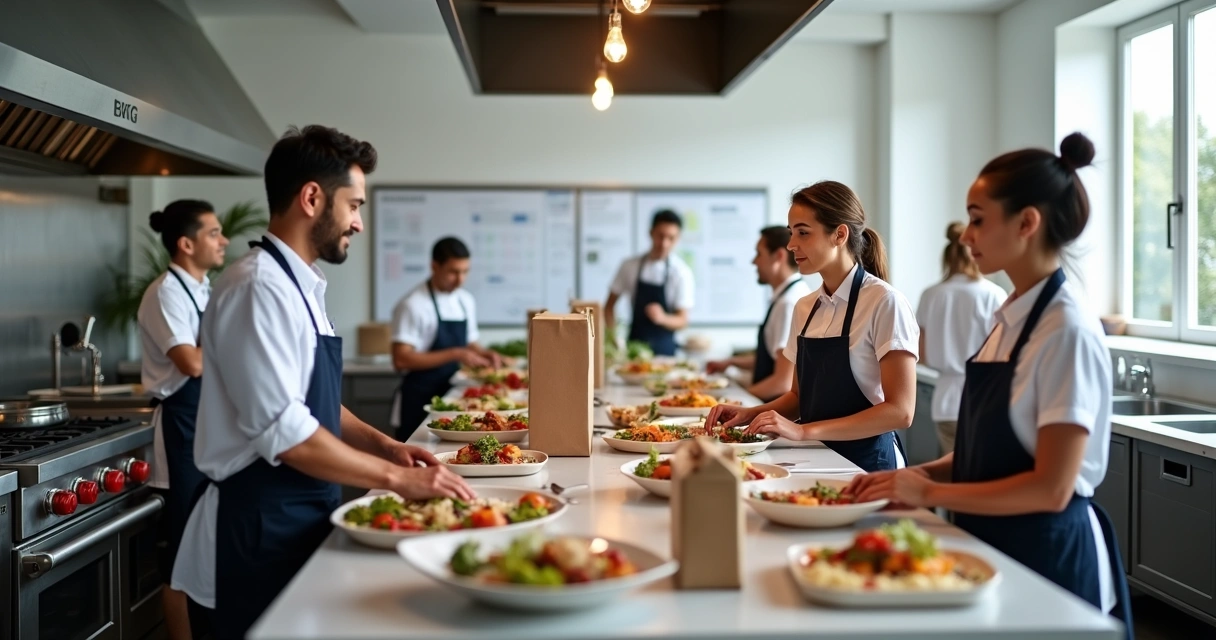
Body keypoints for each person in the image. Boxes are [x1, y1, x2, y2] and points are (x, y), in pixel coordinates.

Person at [172, 125, 474, 640]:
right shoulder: (257, 287)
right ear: (312, 198)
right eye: (353, 205)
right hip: (253, 527)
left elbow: (315, 404)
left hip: (300, 510)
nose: (358, 222)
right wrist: (397, 480)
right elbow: (287, 433)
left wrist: (387, 447)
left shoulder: (302, 287)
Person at [848, 133, 1132, 636]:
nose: (966, 236)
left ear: (1027, 223)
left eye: (978, 219)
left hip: (1046, 554)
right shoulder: (1009, 317)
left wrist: (929, 490)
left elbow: (1051, 487)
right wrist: (909, 478)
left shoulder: (1065, 330)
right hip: (992, 541)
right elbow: (989, 455)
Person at [706, 181, 918, 472]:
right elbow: (798, 397)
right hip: (817, 457)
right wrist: (750, 413)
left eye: (803, 233)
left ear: (839, 235)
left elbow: (901, 412)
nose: (791, 244)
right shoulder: (805, 307)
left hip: (869, 464)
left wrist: (803, 431)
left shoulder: (884, 302)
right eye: (791, 233)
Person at [137, 199, 228, 640]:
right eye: (214, 233)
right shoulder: (165, 293)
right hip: (180, 429)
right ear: (186, 243)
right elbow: (190, 362)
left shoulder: (205, 288)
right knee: (180, 555)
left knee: (207, 548)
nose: (224, 240)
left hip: (206, 427)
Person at [389, 236, 503, 441]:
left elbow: (470, 342)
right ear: (434, 266)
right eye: (453, 272)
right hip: (419, 398)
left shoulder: (465, 300)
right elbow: (401, 359)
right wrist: (455, 353)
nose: (460, 279)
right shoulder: (412, 305)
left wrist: (486, 354)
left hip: (453, 397)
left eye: (465, 272)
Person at [916, 222, 1007, 455]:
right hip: (984, 399)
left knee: (950, 470)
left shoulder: (931, 295)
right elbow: (1003, 353)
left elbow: (921, 353)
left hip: (945, 403)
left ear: (947, 258)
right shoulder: (994, 295)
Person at [706, 226, 812, 401]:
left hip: (776, 410)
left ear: (779, 256)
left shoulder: (788, 304)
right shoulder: (789, 296)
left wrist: (731, 399)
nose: (754, 262)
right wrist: (731, 362)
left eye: (759, 254)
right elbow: (775, 359)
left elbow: (782, 382)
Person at [604, 209, 695, 356]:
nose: (664, 243)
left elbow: (683, 320)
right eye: (660, 236)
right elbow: (608, 307)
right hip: (633, 350)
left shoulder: (682, 272)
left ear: (678, 238)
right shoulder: (629, 266)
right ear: (651, 233)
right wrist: (613, 337)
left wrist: (663, 318)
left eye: (671, 238)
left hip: (666, 354)